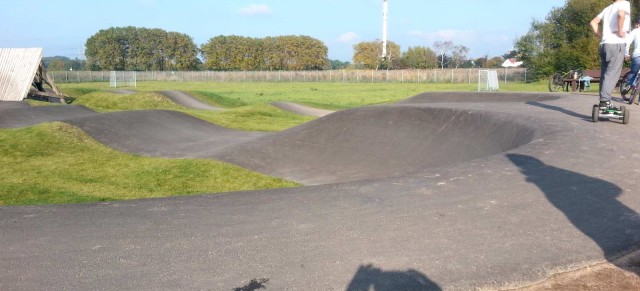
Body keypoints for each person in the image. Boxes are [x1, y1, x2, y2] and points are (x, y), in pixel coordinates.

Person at [590, 0, 631, 109]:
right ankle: (604, 101)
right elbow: (621, 14)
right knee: (612, 74)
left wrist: (601, 36)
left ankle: (604, 101)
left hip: (605, 45)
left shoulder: (608, 8)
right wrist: (621, 30)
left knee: (605, 74)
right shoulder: (625, 3)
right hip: (616, 44)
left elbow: (593, 22)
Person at [622, 17, 640, 97]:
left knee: (633, 72)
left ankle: (628, 85)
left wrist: (626, 54)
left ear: (637, 24)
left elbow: (627, 43)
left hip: (637, 55)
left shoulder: (635, 31)